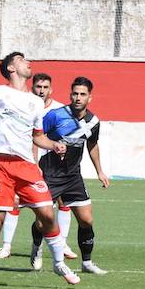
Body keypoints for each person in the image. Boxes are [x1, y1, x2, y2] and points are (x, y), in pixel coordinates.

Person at [0, 52, 80, 288]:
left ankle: (58, 262)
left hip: (27, 167)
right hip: (0, 164)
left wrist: (54, 145)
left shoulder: (36, 102)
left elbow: (38, 137)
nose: (28, 62)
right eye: (22, 59)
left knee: (47, 214)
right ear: (11, 67)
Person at [31, 76, 110, 275]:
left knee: (86, 220)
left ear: (90, 97)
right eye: (75, 93)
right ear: (70, 95)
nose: (78, 97)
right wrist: (34, 165)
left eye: (82, 94)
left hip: (73, 176)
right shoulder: (56, 115)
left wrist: (99, 171)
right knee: (43, 221)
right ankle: (36, 248)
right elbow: (36, 136)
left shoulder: (93, 122)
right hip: (50, 174)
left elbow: (92, 145)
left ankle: (87, 262)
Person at [0, 72, 77, 260]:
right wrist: (33, 161)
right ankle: (7, 246)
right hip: (30, 164)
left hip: (55, 166)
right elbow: (31, 136)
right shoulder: (25, 104)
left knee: (63, 203)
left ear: (51, 89)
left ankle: (62, 243)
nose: (41, 91)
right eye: (38, 87)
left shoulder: (59, 110)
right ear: (32, 88)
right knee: (16, 202)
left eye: (45, 87)